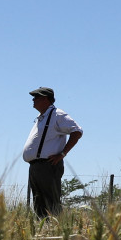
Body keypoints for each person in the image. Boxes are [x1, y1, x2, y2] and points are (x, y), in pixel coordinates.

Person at [22, 87, 82, 218]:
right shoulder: (42, 118)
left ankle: (56, 227)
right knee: (38, 202)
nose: (33, 100)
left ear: (45, 99)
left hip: (48, 165)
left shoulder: (57, 114)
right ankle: (43, 228)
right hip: (35, 166)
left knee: (51, 201)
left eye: (36, 97)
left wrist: (62, 154)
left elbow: (77, 131)